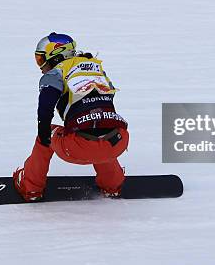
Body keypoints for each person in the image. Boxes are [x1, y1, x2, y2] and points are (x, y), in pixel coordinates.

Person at [13, 33, 129, 201]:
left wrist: (43, 128)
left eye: (41, 59)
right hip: (118, 141)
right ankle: (112, 185)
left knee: (46, 134)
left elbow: (46, 103)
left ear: (56, 56)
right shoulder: (96, 68)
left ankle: (31, 187)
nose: (40, 66)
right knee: (99, 127)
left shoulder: (56, 73)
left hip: (76, 147)